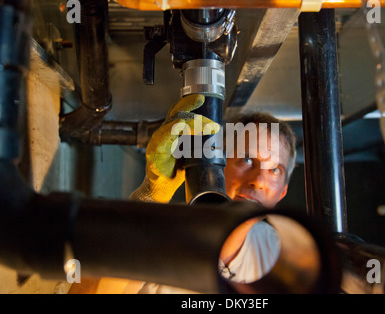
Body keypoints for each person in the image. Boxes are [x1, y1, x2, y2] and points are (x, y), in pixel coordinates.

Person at [69, 94, 297, 293]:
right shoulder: (163, 228)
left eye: (275, 170)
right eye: (247, 160)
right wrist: (149, 202)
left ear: (282, 192)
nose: (258, 181)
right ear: (216, 163)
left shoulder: (288, 256)